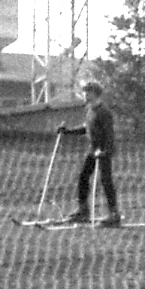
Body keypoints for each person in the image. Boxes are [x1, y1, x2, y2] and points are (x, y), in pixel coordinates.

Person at [60, 80, 122, 227]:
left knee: (106, 180)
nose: (85, 94)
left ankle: (114, 214)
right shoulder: (90, 110)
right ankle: (83, 211)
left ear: (95, 93)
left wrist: (105, 150)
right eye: (85, 91)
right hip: (92, 150)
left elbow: (109, 134)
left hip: (103, 151)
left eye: (88, 92)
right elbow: (86, 128)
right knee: (83, 177)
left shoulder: (104, 112)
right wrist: (67, 131)